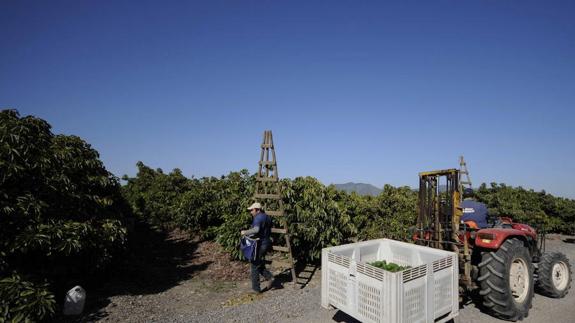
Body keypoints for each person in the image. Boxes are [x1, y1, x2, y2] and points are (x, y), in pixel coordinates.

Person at [241, 202, 274, 293]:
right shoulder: (266, 216)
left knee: (254, 265)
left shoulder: (258, 218)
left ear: (257, 210)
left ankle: (256, 289)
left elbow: (256, 230)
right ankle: (270, 277)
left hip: (260, 244)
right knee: (257, 262)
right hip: (266, 242)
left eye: (252, 210)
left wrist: (245, 232)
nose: (251, 212)